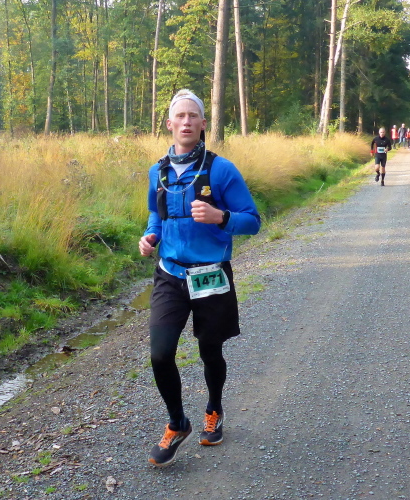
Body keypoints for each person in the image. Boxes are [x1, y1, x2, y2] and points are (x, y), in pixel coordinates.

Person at [139, 89, 261, 468]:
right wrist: (151, 236)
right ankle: (178, 423)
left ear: (203, 123)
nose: (187, 122)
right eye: (180, 116)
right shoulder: (157, 172)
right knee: (160, 353)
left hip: (211, 275)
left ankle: (214, 410)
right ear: (169, 124)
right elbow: (156, 215)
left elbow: (253, 221)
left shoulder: (221, 170)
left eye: (193, 116)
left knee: (210, 350)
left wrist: (221, 217)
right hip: (170, 274)